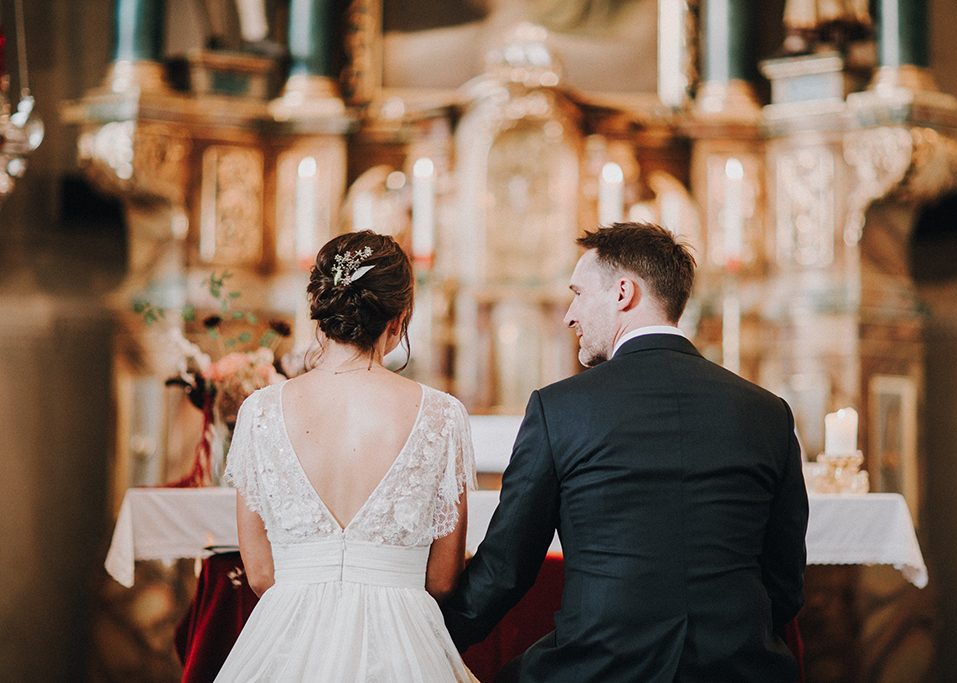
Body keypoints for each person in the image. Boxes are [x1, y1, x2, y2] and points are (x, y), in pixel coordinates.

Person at [442, 222, 808, 682]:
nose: (568, 315)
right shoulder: (767, 412)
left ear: (622, 293)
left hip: (600, 669)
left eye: (578, 293)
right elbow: (786, 581)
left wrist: (430, 634)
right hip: (741, 668)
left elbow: (506, 570)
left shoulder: (560, 409)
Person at [217, 230, 479, 682]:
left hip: (285, 637)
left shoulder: (260, 411)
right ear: (399, 319)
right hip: (404, 645)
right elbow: (441, 579)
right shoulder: (441, 415)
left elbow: (259, 573)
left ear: (321, 312)